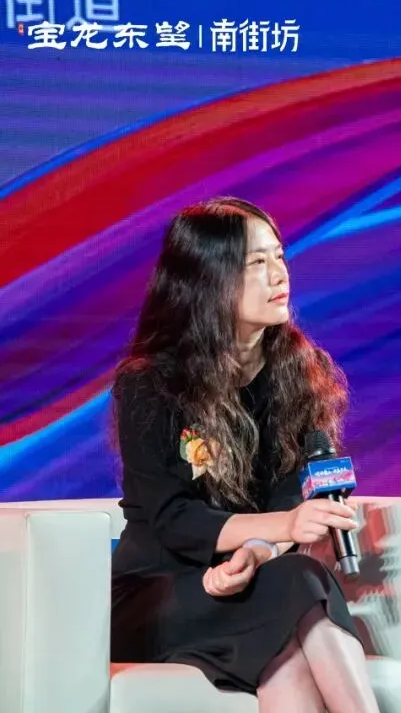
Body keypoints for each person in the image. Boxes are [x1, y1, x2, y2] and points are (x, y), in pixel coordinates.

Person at [110, 197, 381, 713]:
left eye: (279, 256)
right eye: (257, 262)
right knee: (302, 584)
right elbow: (174, 518)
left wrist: (260, 549)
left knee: (289, 649)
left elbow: (286, 498)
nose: (279, 275)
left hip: (253, 583)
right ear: (208, 278)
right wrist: (285, 527)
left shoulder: (298, 372)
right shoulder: (150, 382)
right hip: (159, 593)